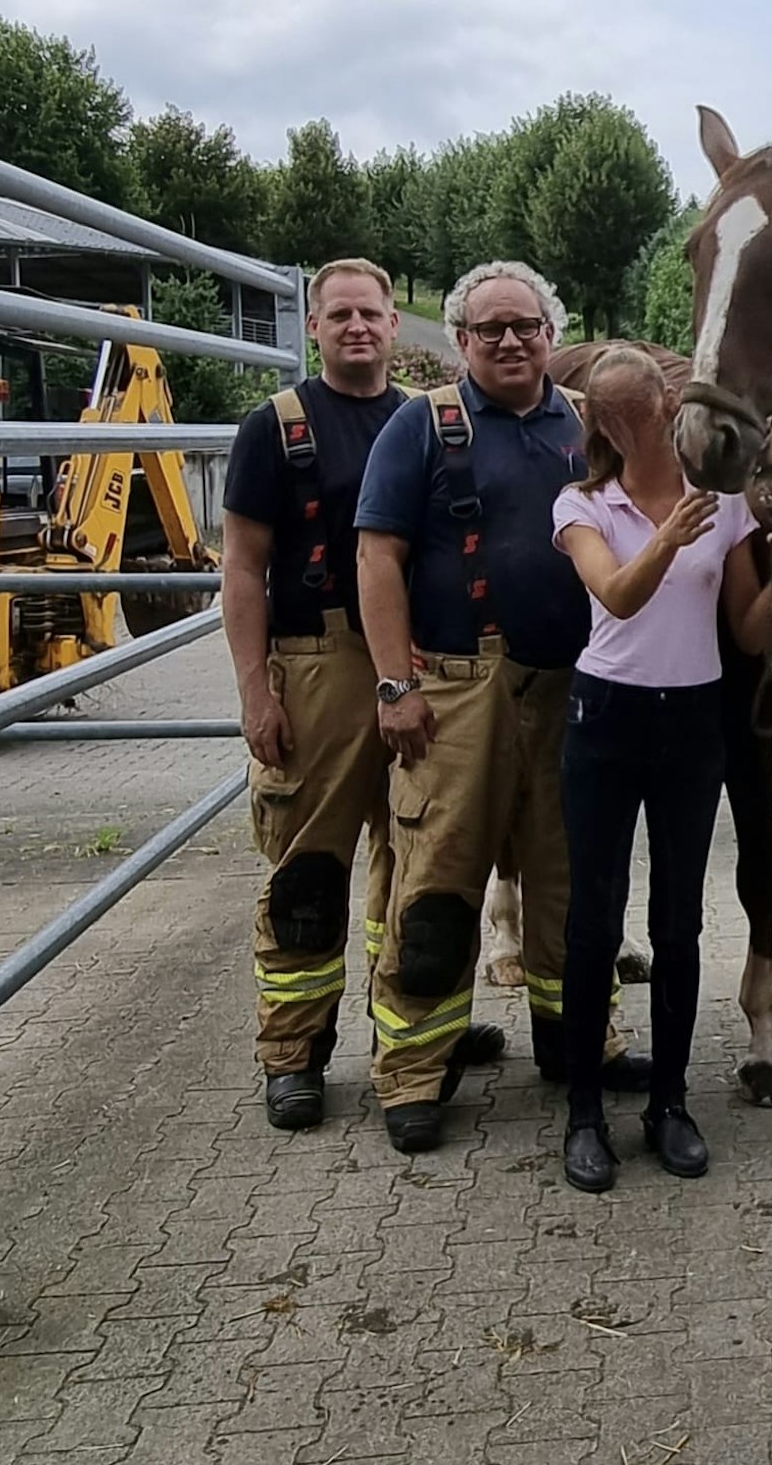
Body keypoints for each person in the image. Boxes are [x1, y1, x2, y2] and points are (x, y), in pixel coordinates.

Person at [354, 259, 651, 1154]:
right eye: (491, 330)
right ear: (461, 341)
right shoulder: (421, 426)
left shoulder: (589, 430)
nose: (512, 341)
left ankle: (576, 1043)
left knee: (571, 883)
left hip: (570, 688)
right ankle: (413, 1069)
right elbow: (376, 559)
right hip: (453, 691)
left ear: (552, 336)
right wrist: (394, 686)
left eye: (526, 326)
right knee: (439, 881)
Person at [222, 258, 504, 1130]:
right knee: (309, 872)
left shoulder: (428, 422)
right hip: (316, 667)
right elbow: (241, 567)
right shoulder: (276, 429)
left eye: (371, 314)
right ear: (314, 327)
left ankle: (413, 1036)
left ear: (394, 325)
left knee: (419, 869)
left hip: (419, 666)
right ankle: (293, 1055)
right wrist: (254, 695)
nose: (356, 327)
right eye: (337, 313)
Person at [549, 348, 772, 1192]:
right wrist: (668, 533)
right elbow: (617, 596)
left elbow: (747, 630)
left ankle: (671, 1102)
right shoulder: (582, 505)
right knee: (593, 920)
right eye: (616, 417)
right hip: (606, 716)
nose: (638, 425)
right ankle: (584, 1111)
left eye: (644, 409)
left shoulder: (725, 507)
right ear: (604, 428)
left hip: (692, 719)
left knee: (678, 924)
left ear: (668, 408)